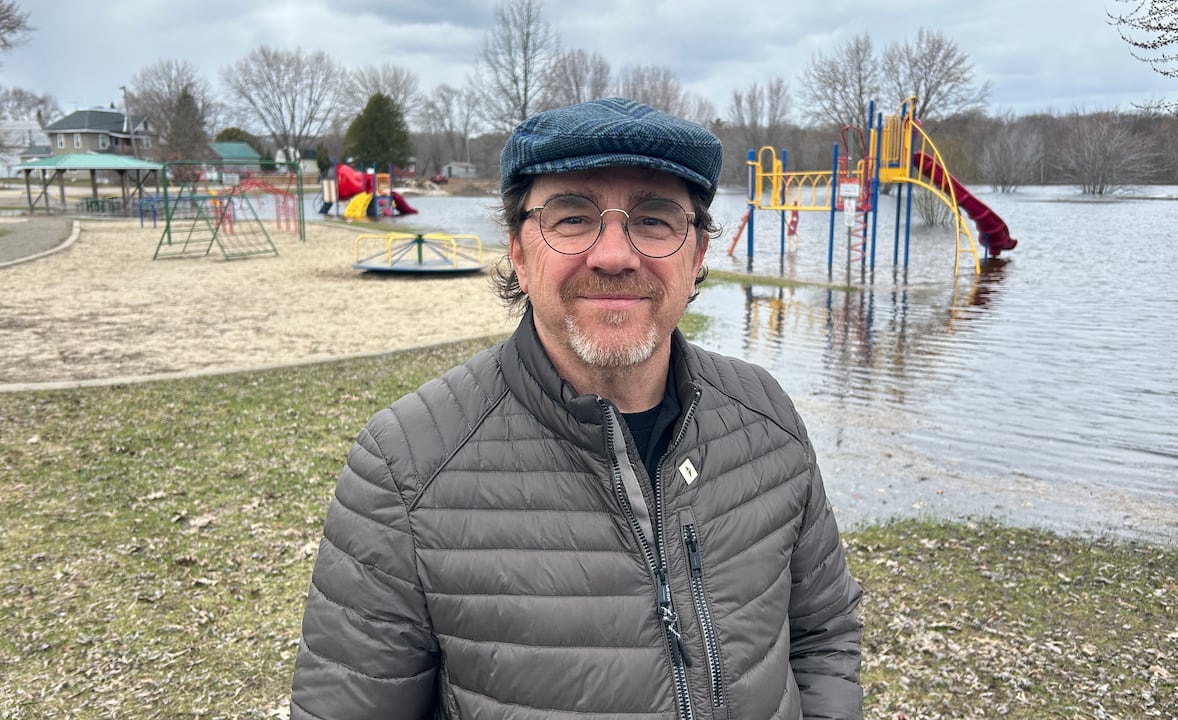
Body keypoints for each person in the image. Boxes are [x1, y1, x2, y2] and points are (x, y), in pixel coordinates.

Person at [290, 97, 864, 720]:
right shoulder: (405, 468)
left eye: (654, 219)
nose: (614, 255)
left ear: (697, 255)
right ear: (518, 250)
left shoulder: (768, 419)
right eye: (571, 218)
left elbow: (823, 634)